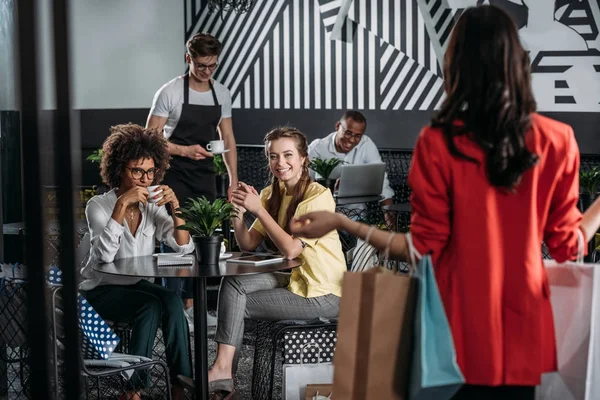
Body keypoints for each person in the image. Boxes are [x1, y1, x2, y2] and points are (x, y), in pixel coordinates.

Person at [290, 6, 600, 400]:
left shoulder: (438, 142)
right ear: (517, 62)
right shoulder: (558, 140)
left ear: (456, 66)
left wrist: (343, 221)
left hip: (452, 333)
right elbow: (567, 246)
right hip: (523, 330)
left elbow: (421, 248)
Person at [206, 126, 346, 396]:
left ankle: (223, 375)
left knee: (239, 302)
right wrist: (237, 213)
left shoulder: (319, 196)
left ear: (303, 158)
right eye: (273, 156)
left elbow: (292, 250)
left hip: (324, 292)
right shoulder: (272, 193)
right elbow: (248, 243)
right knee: (233, 284)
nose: (280, 163)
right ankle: (223, 372)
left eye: (288, 155)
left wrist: (257, 207)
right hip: (294, 279)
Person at [79, 123, 193, 400]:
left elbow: (184, 247)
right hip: (98, 290)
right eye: (137, 171)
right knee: (150, 306)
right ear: (120, 169)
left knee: (172, 301)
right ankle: (133, 391)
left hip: (136, 283)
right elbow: (102, 258)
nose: (144, 179)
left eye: (150, 171)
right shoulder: (99, 205)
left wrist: (175, 206)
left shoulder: (152, 206)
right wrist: (121, 206)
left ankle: (180, 384)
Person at [146, 32, 238, 327]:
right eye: (201, 65)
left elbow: (229, 139)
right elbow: (150, 136)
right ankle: (168, 308)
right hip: (173, 174)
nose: (206, 71)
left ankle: (192, 307)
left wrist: (234, 178)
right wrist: (184, 149)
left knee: (202, 241)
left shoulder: (221, 93)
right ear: (189, 59)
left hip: (204, 176)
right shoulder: (170, 92)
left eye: (212, 66)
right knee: (175, 242)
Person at [307, 110, 394, 207]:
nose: (352, 140)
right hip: (326, 214)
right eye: (348, 133)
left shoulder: (366, 144)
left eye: (358, 136)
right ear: (337, 126)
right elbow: (303, 183)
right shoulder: (317, 148)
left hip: (357, 216)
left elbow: (382, 183)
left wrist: (389, 219)